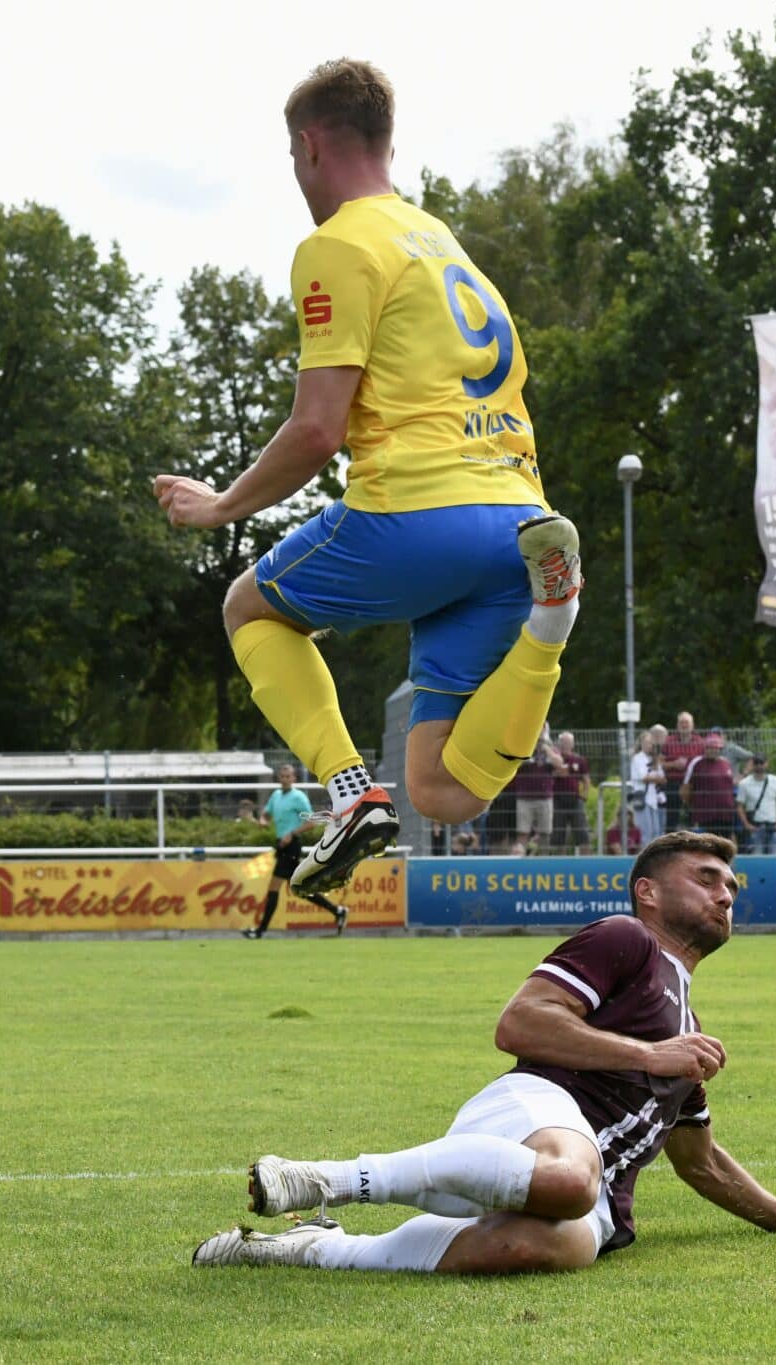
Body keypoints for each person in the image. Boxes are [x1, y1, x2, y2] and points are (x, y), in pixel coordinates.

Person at [153, 60, 583, 897]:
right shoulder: (443, 243)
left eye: (292, 157)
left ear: (311, 147)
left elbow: (317, 429)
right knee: (443, 789)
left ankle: (348, 793)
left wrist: (220, 506)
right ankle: (552, 622)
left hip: (419, 510)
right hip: (519, 524)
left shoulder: (337, 246)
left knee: (250, 605)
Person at [191, 831, 776, 1274]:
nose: (726, 891)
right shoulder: (626, 938)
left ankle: (314, 1247)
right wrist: (652, 1053)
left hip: (590, 1183)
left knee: (557, 1243)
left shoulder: (686, 1021)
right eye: (706, 876)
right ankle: (326, 1178)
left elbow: (703, 1163)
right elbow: (520, 1023)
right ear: (649, 891)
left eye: (731, 885)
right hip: (536, 1109)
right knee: (572, 1180)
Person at [244, 766, 346, 938]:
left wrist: (292, 834)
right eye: (282, 776)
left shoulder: (298, 797)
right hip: (281, 846)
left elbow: (311, 822)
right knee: (301, 887)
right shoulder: (276, 796)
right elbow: (266, 816)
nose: (284, 779)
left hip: (291, 846)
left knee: (275, 887)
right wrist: (260, 820)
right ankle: (337, 911)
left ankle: (260, 931)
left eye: (287, 776)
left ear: (294, 778)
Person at [679, 730, 740, 847]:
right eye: (710, 748)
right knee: (707, 845)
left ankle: (729, 865)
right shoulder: (696, 763)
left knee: (727, 843)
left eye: (716, 748)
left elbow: (731, 784)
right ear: (705, 748)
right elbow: (685, 788)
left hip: (726, 814)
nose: (713, 750)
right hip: (705, 814)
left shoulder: (725, 763)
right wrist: (694, 806)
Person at [660, 713, 706, 833]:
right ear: (677, 725)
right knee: (672, 818)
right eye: (682, 722)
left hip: (694, 785)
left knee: (694, 818)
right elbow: (659, 764)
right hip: (673, 784)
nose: (684, 725)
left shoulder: (701, 742)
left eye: (687, 722)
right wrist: (674, 764)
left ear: (693, 725)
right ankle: (670, 845)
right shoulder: (668, 742)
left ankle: (692, 846)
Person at [734, 754, 776, 856]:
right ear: (752, 765)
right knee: (757, 858)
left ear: (766, 764)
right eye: (756, 763)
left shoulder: (775, 781)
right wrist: (747, 825)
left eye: (761, 763)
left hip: (773, 827)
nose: (759, 766)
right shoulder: (744, 783)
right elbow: (739, 806)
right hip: (755, 827)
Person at [551, 732, 591, 856]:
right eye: (563, 742)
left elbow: (586, 779)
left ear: (573, 744)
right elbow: (556, 774)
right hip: (558, 800)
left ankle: (587, 862)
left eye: (568, 742)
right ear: (559, 743)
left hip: (575, 799)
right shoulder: (554, 760)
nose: (565, 745)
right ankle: (560, 864)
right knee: (559, 835)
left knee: (582, 833)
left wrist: (584, 795)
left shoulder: (579, 760)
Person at [626, 727, 666, 846]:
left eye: (651, 743)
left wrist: (654, 777)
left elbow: (663, 779)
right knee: (645, 832)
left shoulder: (654, 759)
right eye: (647, 743)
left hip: (653, 799)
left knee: (656, 831)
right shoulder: (638, 758)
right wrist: (655, 778)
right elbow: (644, 777)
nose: (650, 745)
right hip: (642, 798)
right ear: (642, 743)